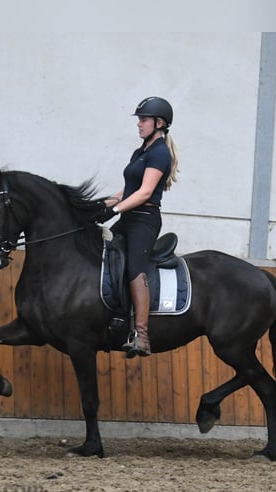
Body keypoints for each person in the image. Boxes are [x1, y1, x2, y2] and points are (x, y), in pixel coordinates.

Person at [96, 96, 179, 358]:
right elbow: (127, 191)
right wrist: (99, 205)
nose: (139, 124)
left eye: (143, 120)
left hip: (144, 220)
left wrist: (115, 210)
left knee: (134, 268)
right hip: (129, 217)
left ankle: (141, 335)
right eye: (140, 120)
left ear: (159, 123)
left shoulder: (160, 153)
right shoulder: (140, 152)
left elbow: (144, 193)